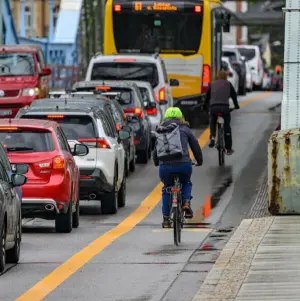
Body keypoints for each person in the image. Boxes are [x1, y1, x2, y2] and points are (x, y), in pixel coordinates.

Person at [153, 107, 203, 228]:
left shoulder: (161, 130)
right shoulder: (185, 129)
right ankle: (186, 202)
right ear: (181, 117)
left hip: (166, 167)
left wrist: (156, 162)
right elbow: (195, 146)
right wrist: (199, 161)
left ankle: (165, 219)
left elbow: (156, 151)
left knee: (167, 188)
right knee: (186, 182)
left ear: (166, 117)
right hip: (184, 165)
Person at [205, 70, 240, 155]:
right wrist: (236, 106)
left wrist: (204, 107)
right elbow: (234, 96)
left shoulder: (212, 84)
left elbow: (207, 98)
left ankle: (213, 137)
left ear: (217, 76)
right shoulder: (228, 84)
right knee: (227, 127)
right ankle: (228, 148)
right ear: (225, 77)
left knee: (212, 122)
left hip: (214, 108)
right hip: (225, 108)